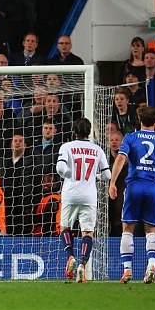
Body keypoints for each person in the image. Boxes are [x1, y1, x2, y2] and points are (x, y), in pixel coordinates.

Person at [109, 106, 155, 284]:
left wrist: (112, 182)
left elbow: (121, 159)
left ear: (139, 119)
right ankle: (151, 265)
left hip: (134, 186)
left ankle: (127, 270)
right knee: (151, 230)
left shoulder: (131, 138)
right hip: (153, 187)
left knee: (127, 229)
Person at [56, 118, 111, 283]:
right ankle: (82, 265)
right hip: (89, 195)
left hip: (70, 193)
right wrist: (95, 176)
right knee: (87, 232)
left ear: (75, 131)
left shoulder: (67, 147)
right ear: (89, 132)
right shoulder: (97, 149)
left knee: (64, 227)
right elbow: (107, 175)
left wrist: (71, 175)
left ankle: (70, 256)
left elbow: (59, 168)